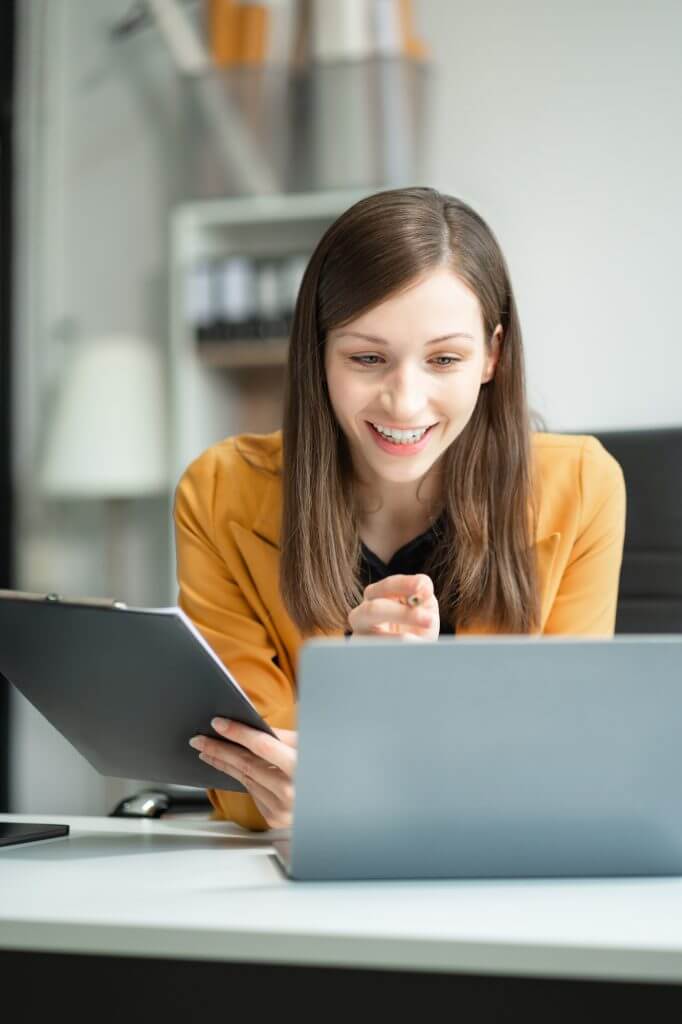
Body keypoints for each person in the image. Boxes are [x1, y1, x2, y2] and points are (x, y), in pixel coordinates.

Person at [175, 187, 626, 832]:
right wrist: (351, 694)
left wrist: (348, 767)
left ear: (492, 356)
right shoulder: (218, 493)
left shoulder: (583, 485)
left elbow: (570, 758)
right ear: (318, 356)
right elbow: (241, 771)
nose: (405, 403)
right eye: (366, 358)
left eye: (445, 359)